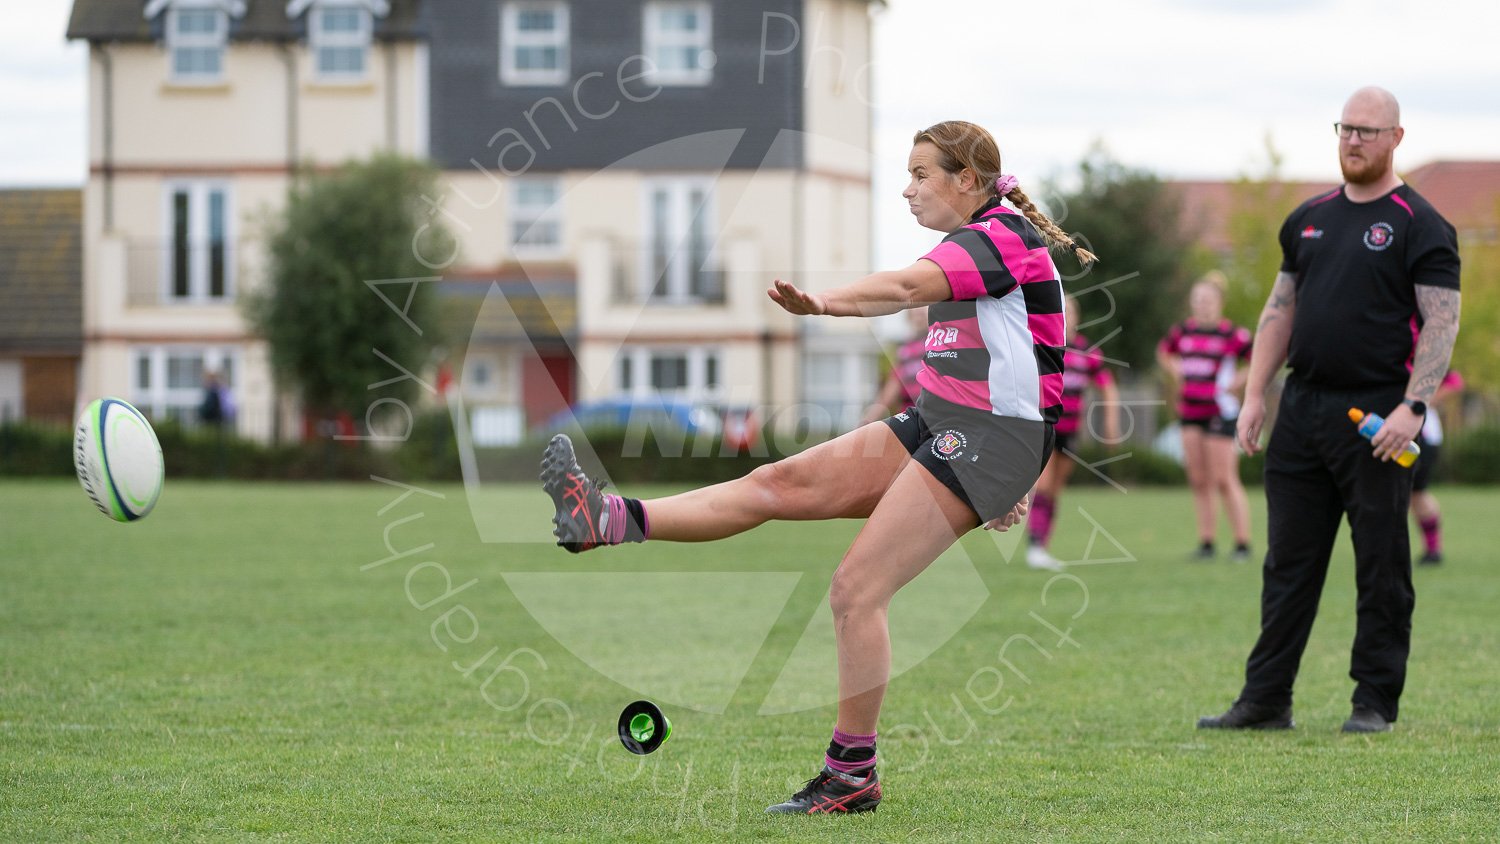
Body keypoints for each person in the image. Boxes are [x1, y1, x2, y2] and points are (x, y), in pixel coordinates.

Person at [541, 120, 1095, 814]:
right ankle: (607, 518)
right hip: (950, 427)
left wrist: (824, 303)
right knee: (777, 483)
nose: (907, 188)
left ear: (967, 181)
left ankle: (851, 776)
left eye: (921, 174)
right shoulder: (973, 245)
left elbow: (903, 287)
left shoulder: (1000, 240)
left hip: (988, 438)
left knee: (855, 589)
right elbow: (1011, 365)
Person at [1201, 87, 1461, 735]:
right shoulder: (1308, 218)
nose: (1353, 140)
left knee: (1380, 563)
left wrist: (1413, 406)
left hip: (1379, 418)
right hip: (1303, 409)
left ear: (1396, 138)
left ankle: (1373, 700)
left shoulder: (1420, 223)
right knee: (1287, 563)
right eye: (1346, 128)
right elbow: (1278, 311)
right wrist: (1256, 393)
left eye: (1368, 131)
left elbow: (1441, 323)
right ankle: (1266, 700)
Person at [1157, 273, 1254, 562]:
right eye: (1198, 300)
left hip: (1219, 412)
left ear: (1220, 303)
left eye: (1208, 300)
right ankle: (1207, 542)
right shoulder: (1183, 332)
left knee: (1224, 478)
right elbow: (1163, 351)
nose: (1203, 305)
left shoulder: (1231, 334)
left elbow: (1257, 357)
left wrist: (1240, 380)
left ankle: (1242, 543)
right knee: (1199, 480)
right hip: (1190, 411)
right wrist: (1174, 370)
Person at [1026, 295, 1120, 571]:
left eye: (1070, 312)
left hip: (1070, 432)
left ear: (1077, 318)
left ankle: (1042, 545)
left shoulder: (1087, 353)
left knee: (1054, 491)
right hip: (1044, 428)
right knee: (1042, 486)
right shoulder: (1042, 346)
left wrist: (1111, 423)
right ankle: (1034, 546)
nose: (1065, 317)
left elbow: (1107, 386)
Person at [1411, 369, 1463, 565]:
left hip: (1422, 437)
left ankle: (1433, 551)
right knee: (1411, 496)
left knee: (1417, 494)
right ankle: (1431, 550)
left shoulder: (1423, 354)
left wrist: (1423, 402)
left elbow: (1455, 381)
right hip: (1412, 435)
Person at [859, 306, 928, 426]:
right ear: (909, 317)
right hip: (912, 417)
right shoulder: (904, 350)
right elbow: (891, 388)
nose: (919, 312)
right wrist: (868, 420)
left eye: (922, 311)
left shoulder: (940, 345)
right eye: (915, 311)